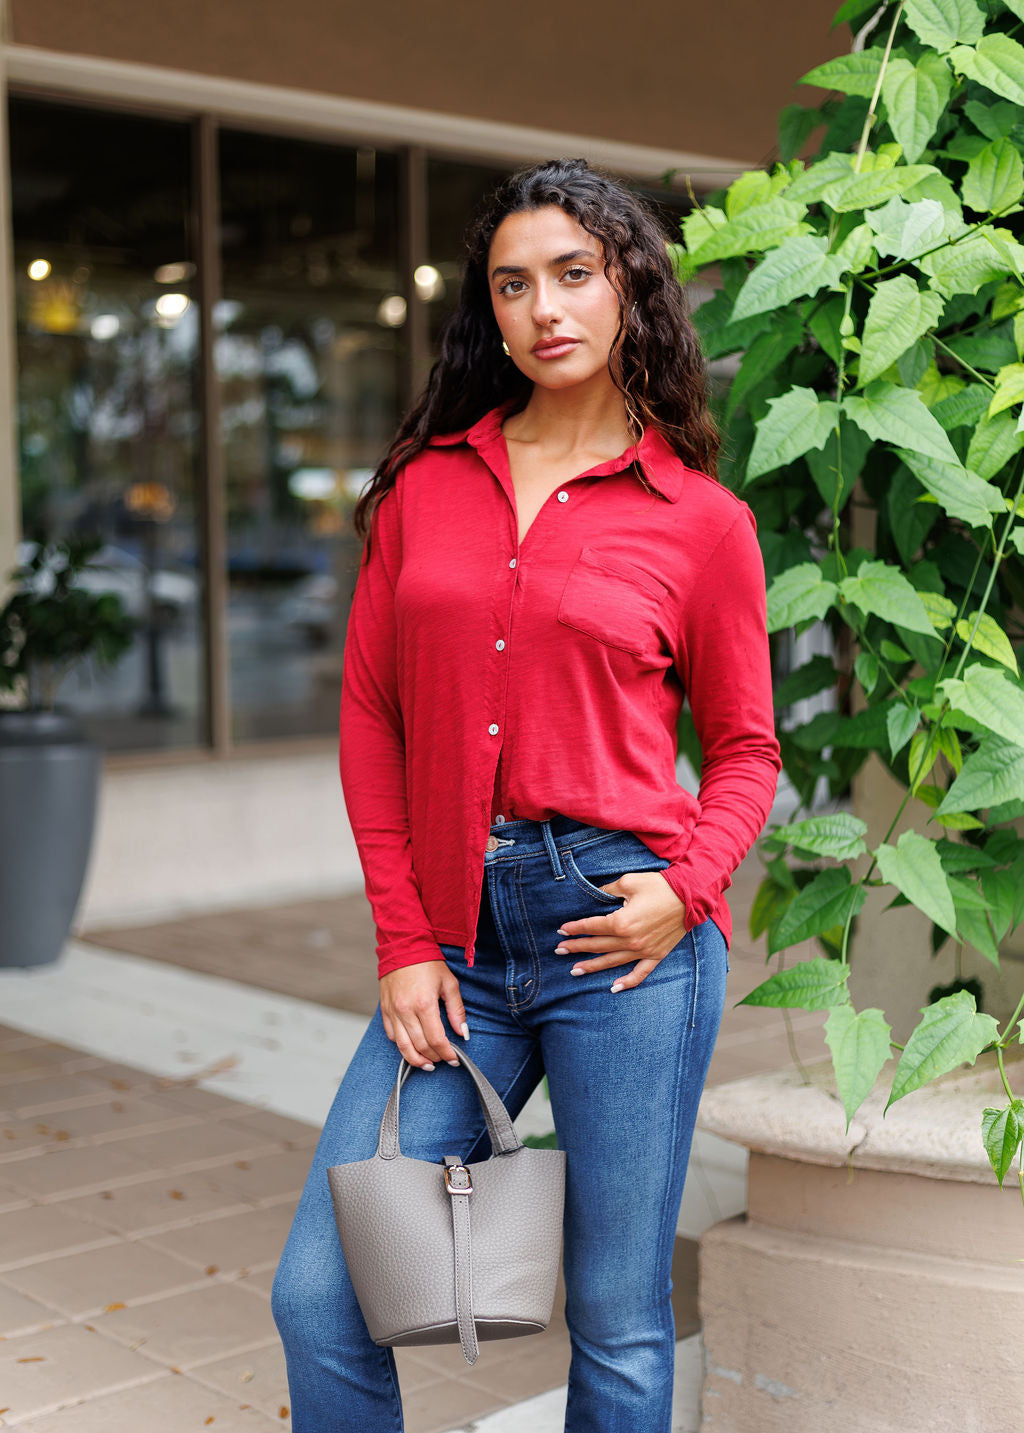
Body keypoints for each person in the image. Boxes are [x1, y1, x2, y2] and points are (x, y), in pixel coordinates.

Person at [271, 156, 781, 1433]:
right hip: (453, 939)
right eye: (512, 283)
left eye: (572, 273)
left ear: (628, 289)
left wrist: (685, 889)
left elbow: (746, 751)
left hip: (626, 932)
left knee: (616, 1311)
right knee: (321, 1295)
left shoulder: (700, 521)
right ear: (487, 311)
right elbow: (372, 716)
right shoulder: (425, 485)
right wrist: (402, 940)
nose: (544, 307)